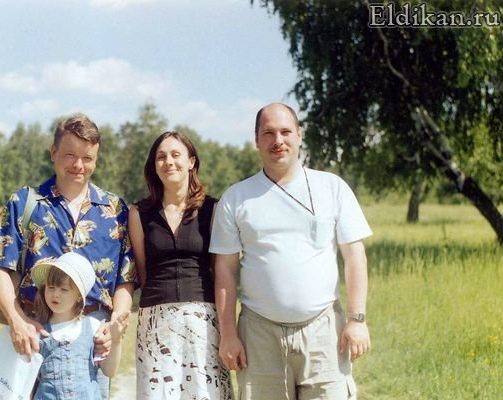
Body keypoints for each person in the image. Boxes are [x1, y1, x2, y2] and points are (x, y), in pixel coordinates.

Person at [210, 103, 372, 400]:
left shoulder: (332, 187)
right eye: (268, 133)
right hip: (259, 336)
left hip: (324, 333)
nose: (278, 141)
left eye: (286, 132)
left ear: (299, 134)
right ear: (256, 140)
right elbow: (225, 270)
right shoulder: (235, 198)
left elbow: (355, 257)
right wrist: (229, 335)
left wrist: (357, 320)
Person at [0, 114, 136, 398]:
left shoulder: (115, 210)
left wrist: (114, 324)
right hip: (36, 339)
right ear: (53, 152)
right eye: (70, 155)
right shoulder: (26, 202)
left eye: (87, 158)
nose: (78, 165)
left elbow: (126, 278)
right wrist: (16, 320)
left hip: (92, 344)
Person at [129, 131, 233, 399]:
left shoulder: (213, 210)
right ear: (154, 166)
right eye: (161, 157)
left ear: (191, 162)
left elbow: (218, 270)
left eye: (176, 155)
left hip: (203, 321)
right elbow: (143, 270)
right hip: (156, 321)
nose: (169, 162)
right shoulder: (139, 213)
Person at [30, 252, 129, 400]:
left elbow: (109, 370)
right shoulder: (39, 332)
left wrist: (116, 340)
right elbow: (28, 380)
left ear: (78, 296)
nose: (55, 294)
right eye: (51, 287)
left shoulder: (93, 327)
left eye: (64, 289)